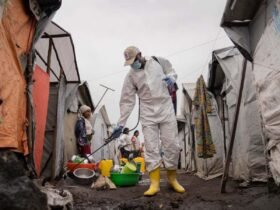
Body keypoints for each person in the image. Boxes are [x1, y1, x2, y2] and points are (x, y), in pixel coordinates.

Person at [111, 46, 185, 196]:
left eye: (134, 61)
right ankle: (154, 183)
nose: (133, 65)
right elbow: (127, 100)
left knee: (171, 143)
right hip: (147, 111)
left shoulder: (157, 61)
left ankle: (172, 179)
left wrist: (172, 77)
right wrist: (121, 123)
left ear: (140, 55)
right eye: (130, 63)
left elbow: (171, 70)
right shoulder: (131, 76)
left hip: (165, 107)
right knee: (151, 147)